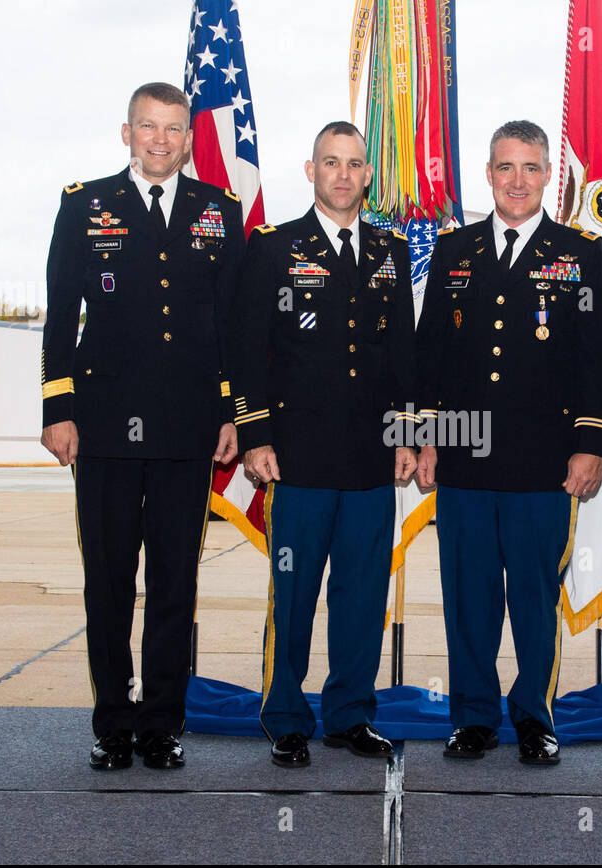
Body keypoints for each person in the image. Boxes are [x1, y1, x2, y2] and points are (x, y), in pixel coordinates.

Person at [41, 82, 245, 770]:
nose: (160, 139)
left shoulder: (219, 210)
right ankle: (112, 722)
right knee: (107, 577)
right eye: (148, 127)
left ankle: (161, 723)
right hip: (100, 427)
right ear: (126, 132)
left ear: (188, 138)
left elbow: (230, 330)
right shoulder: (85, 205)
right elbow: (60, 313)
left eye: (173, 129)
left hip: (188, 428)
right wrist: (57, 408)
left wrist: (229, 412)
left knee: (173, 581)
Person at [415, 120, 602, 766]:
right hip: (465, 461)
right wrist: (424, 436)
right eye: (507, 167)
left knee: (534, 598)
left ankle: (534, 715)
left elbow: (597, 359)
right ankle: (473, 716)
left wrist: (592, 444)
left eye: (531, 168)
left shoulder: (579, 253)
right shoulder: (455, 250)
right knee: (469, 597)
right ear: (489, 172)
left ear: (548, 175)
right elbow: (430, 356)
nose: (519, 181)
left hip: (543, 462)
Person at [229, 121, 417, 768]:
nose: (342, 174)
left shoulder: (391, 251)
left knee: (363, 595)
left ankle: (349, 715)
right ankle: (285, 716)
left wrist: (408, 433)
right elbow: (247, 350)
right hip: (298, 457)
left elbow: (402, 356)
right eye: (329, 162)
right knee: (296, 590)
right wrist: (254, 435)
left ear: (368, 175)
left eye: (354, 163)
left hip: (371, 457)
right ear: (311, 171)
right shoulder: (275, 246)